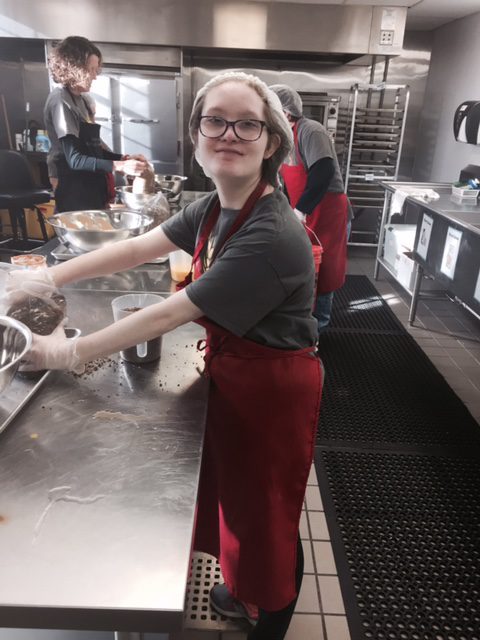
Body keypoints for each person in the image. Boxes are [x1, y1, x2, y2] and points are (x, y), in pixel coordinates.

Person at [8, 72, 323, 640]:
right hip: (235, 369)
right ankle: (239, 585)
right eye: (215, 120)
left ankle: (271, 618)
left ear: (271, 141)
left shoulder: (272, 233)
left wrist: (66, 353)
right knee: (237, 494)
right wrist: (41, 279)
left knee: (268, 507)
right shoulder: (214, 206)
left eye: (247, 123)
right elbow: (135, 247)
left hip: (273, 387)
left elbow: (169, 313)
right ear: (198, 134)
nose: (230, 133)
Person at [270, 84, 349, 333]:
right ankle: (303, 318)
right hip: (303, 207)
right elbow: (282, 178)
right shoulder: (283, 136)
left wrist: (301, 209)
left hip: (327, 208)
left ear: (286, 111)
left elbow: (322, 171)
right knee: (304, 262)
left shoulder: (311, 131)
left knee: (324, 265)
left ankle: (321, 325)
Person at [44, 35, 147, 210]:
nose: (94, 77)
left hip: (92, 185)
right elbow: (75, 160)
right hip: (75, 191)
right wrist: (119, 165)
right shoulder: (61, 101)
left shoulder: (82, 100)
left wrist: (123, 158)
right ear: (73, 67)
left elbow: (93, 149)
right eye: (91, 70)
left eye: (96, 70)